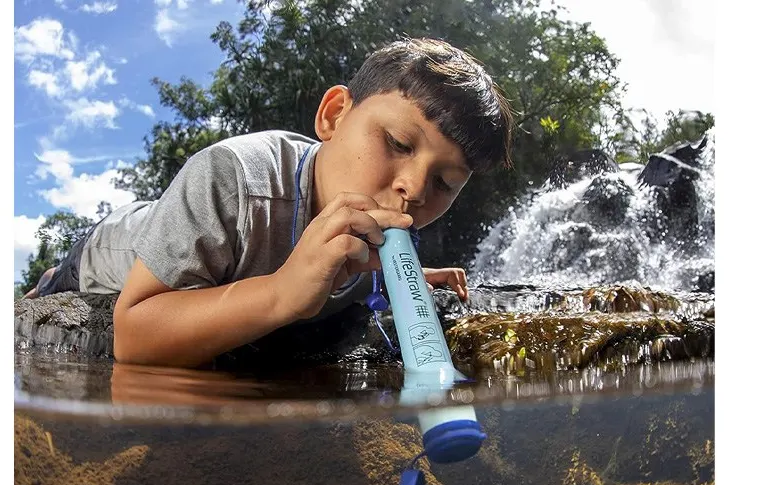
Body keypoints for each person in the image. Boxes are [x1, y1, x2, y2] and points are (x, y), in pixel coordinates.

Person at [27, 37, 514, 367]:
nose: (415, 188)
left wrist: (395, 274)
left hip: (211, 243)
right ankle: (48, 278)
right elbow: (133, 337)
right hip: (113, 249)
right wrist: (282, 293)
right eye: (398, 143)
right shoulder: (234, 177)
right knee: (61, 286)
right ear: (335, 116)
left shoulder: (379, 216)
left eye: (446, 182)